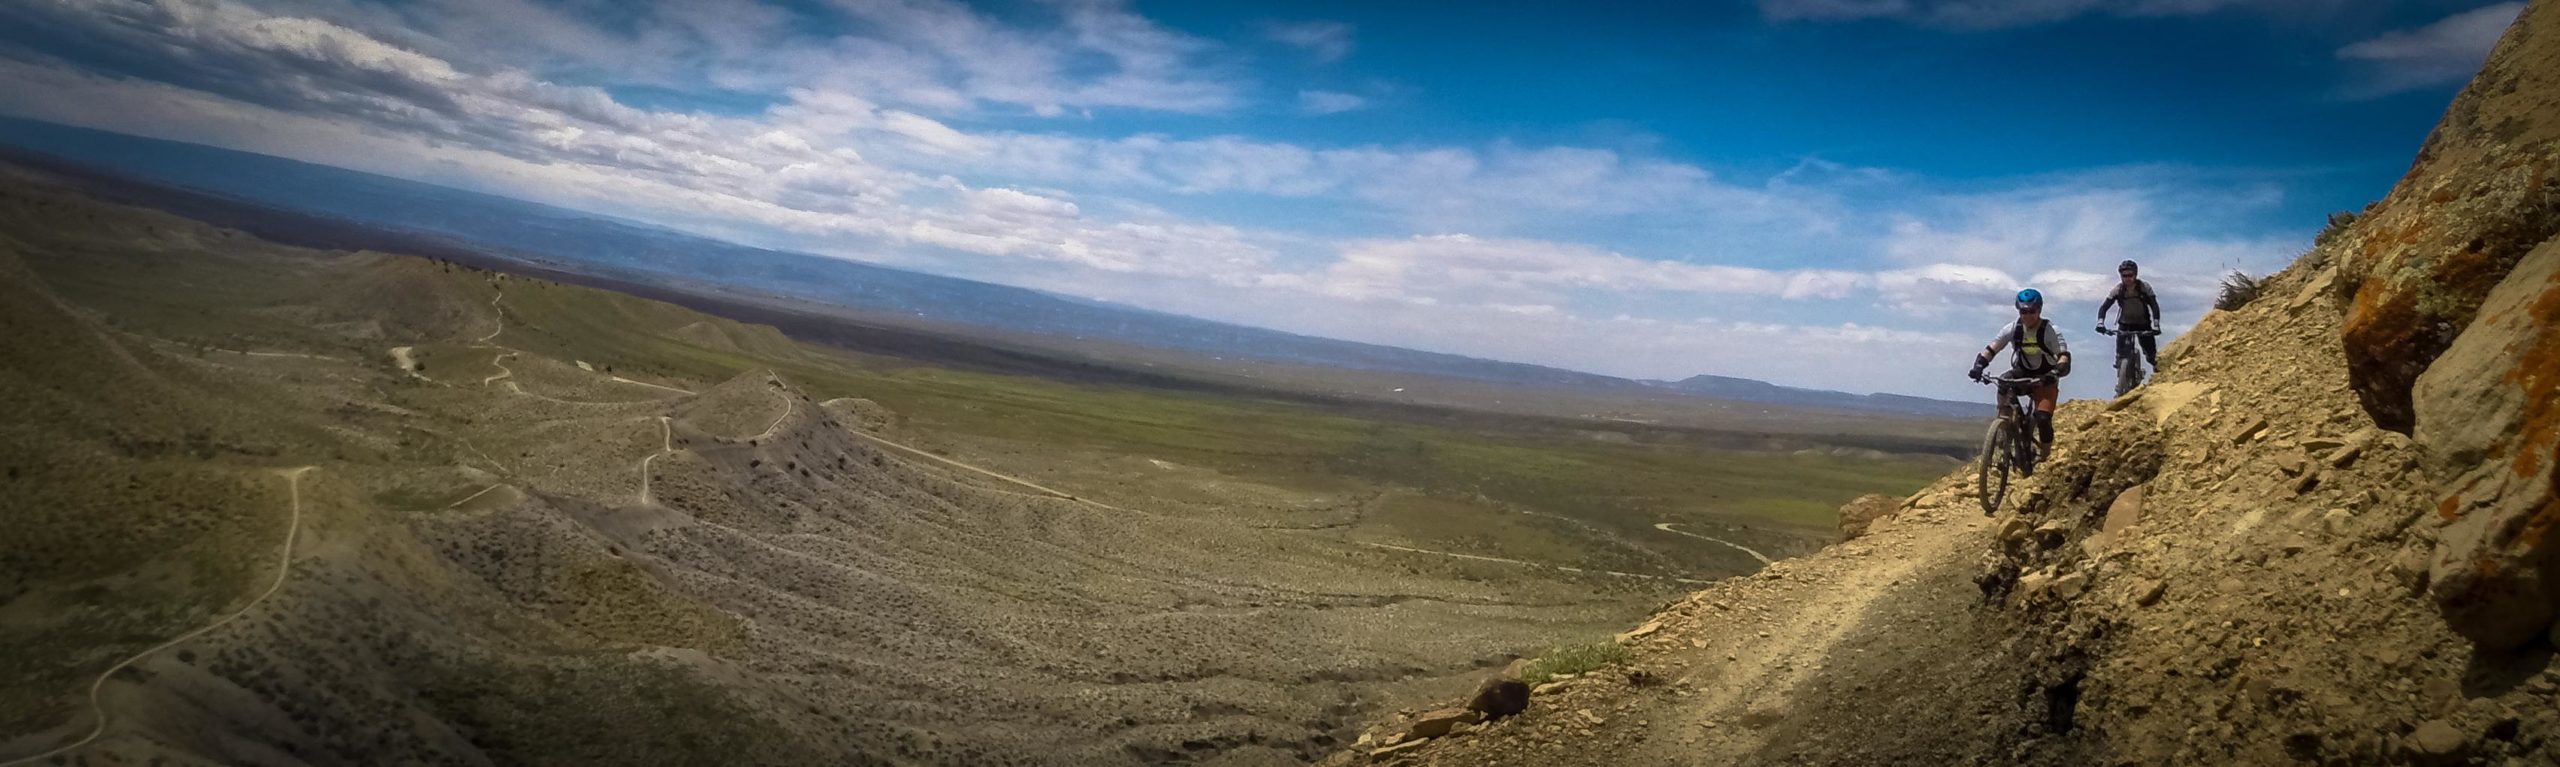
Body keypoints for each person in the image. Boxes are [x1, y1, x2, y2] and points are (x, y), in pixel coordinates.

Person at [1970, 288, 2071, 451]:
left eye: (2032, 311)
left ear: (2039, 310)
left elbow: (2064, 355)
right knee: (2003, 382)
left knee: (2043, 419)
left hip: (2045, 376)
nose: (2027, 315)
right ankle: (2003, 425)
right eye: (2023, 311)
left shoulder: (2050, 330)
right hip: (2022, 372)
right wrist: (1979, 365)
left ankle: (2045, 454)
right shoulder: (2012, 328)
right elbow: (1992, 348)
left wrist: (2056, 372)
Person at [2097, 259, 2163, 370]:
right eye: (2124, 276)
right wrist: (2100, 323)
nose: (2127, 278)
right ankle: (2122, 375)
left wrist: (2156, 325)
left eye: (2130, 275)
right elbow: (2104, 307)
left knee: (2152, 357)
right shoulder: (2118, 290)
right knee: (2120, 356)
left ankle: (2160, 376)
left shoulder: (2144, 287)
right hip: (2125, 324)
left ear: (2135, 274)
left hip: (2143, 324)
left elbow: (2154, 305)